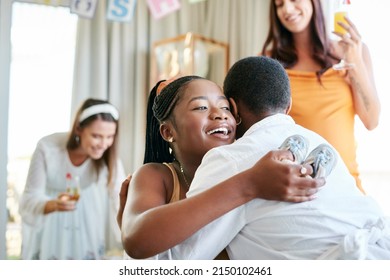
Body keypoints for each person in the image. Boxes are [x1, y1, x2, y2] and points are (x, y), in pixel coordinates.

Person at [163, 56, 390, 260]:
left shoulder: (227, 160)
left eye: (223, 107)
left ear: (233, 108)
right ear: (288, 105)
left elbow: (180, 260)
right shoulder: (319, 142)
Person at [118, 76, 324, 259]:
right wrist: (250, 184)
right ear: (168, 132)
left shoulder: (249, 164)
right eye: (200, 107)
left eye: (225, 107)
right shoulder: (156, 175)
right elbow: (137, 241)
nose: (219, 115)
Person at [260, 0, 380, 193]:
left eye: (293, 0)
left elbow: (371, 120)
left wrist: (355, 61)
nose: (287, 9)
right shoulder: (267, 62)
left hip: (347, 187)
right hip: (299, 189)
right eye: (279, 4)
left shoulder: (354, 52)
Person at [19, 98, 126, 260]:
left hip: (87, 222)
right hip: (50, 222)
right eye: (96, 136)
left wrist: (131, 235)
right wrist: (54, 204)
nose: (104, 144)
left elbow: (120, 199)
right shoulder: (47, 148)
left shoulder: (109, 158)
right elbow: (29, 199)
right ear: (78, 129)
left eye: (109, 136)